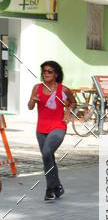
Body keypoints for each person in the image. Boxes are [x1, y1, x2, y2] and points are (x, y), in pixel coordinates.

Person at [27, 61, 76, 201]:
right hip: (41, 128)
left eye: (49, 71)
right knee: (48, 157)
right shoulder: (37, 88)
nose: (46, 73)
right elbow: (30, 106)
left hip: (58, 126)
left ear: (56, 74)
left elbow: (73, 102)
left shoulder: (63, 90)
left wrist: (68, 111)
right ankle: (57, 186)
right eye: (44, 71)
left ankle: (50, 189)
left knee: (47, 152)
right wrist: (33, 100)